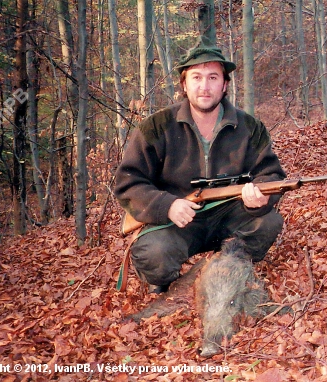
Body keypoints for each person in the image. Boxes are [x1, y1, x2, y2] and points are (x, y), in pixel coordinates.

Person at [114, 39, 286, 293]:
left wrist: (260, 196)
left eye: (213, 78)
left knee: (268, 222)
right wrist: (167, 205)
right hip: (179, 221)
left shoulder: (249, 127)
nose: (204, 87)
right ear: (184, 85)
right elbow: (129, 182)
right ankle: (167, 283)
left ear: (225, 85)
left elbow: (270, 173)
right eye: (196, 78)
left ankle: (230, 264)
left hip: (230, 216)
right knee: (153, 255)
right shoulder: (156, 126)